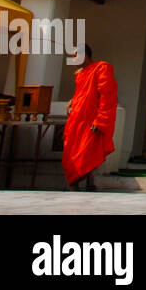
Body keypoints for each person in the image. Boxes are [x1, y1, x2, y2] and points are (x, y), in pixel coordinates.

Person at [62, 45, 117, 191]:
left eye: (76, 56)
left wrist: (101, 120)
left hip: (91, 120)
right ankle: (88, 183)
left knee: (86, 151)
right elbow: (82, 93)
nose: (74, 60)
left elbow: (107, 96)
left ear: (85, 55)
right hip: (77, 119)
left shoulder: (101, 68)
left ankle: (74, 183)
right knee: (72, 151)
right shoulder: (80, 73)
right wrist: (72, 100)